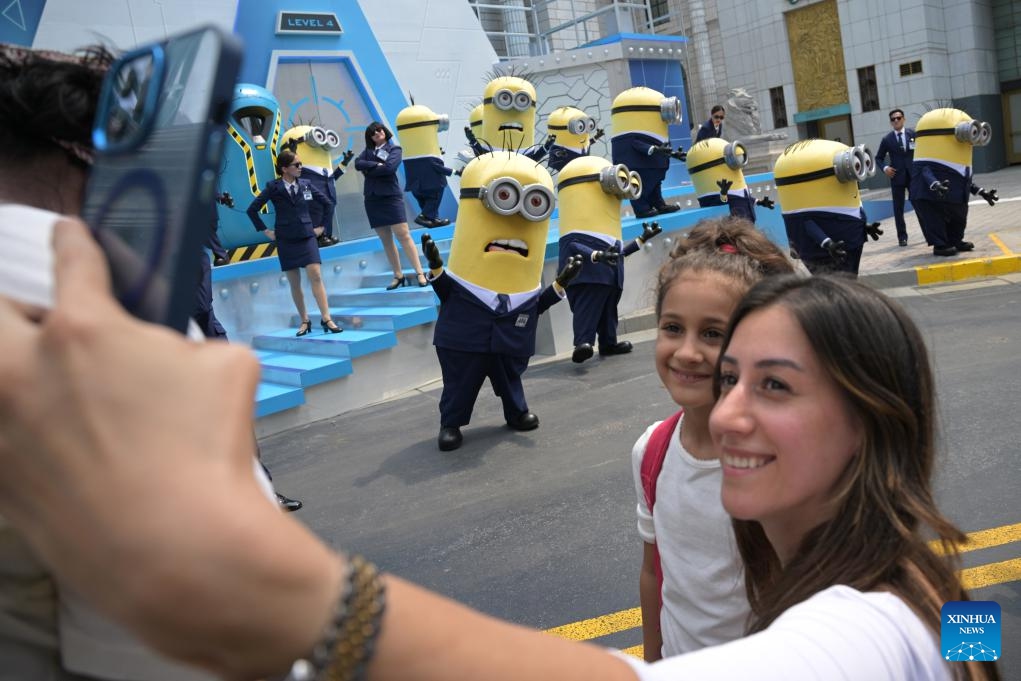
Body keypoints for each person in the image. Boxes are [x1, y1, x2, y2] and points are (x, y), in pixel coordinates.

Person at [0, 208, 1001, 681]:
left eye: (772, 386)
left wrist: (300, 599)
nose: (727, 408)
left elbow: (945, 630)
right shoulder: (707, 482)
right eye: (726, 369)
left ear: (873, 417)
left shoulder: (875, 616)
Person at [634, 218, 794, 660]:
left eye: (712, 334)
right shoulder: (653, 451)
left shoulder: (788, 458)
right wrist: (653, 664)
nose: (686, 352)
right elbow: (654, 572)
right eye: (672, 328)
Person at [246, 149, 342, 336]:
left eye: (301, 164)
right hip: (286, 238)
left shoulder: (306, 184)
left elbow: (328, 203)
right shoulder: (273, 187)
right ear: (284, 169)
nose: (300, 167)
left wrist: (322, 226)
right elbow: (252, 210)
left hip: (307, 235)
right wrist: (265, 231)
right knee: (294, 282)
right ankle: (304, 320)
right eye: (296, 165)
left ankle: (326, 318)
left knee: (315, 274)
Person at [354, 121, 428, 289]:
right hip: (372, 199)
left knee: (403, 235)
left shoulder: (394, 149)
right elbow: (357, 164)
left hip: (390, 197)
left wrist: (371, 168)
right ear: (370, 138)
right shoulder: (367, 152)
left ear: (385, 131)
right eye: (373, 133)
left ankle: (420, 272)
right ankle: (398, 275)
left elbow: (389, 168)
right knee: (385, 239)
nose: (377, 133)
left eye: (379, 130)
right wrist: (375, 165)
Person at [874, 108, 916, 247]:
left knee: (920, 205)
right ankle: (902, 237)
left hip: (913, 176)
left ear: (904, 119)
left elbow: (920, 151)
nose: (896, 120)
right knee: (898, 209)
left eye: (899, 118)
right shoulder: (887, 139)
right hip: (897, 177)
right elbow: (878, 158)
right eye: (893, 119)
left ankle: (930, 235)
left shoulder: (912, 134)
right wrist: (885, 168)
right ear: (891, 122)